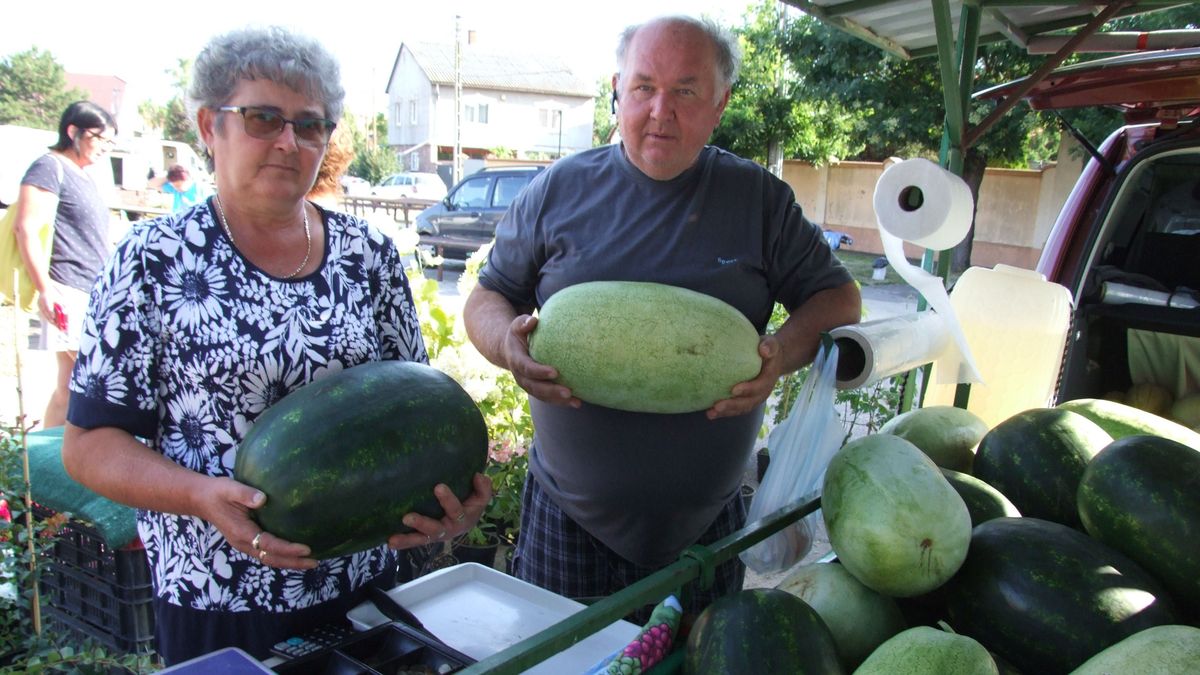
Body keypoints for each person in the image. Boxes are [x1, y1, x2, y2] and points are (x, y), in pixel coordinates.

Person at [60, 26, 492, 665]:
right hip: (219, 596)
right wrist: (203, 497)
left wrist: (449, 503)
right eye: (263, 119)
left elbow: (417, 409)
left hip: (361, 585)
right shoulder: (152, 261)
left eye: (310, 125)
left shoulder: (367, 254)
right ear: (211, 127)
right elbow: (90, 446)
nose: (289, 142)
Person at [462, 15, 861, 620]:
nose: (660, 111)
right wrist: (506, 346)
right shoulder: (557, 190)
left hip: (707, 523)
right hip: (566, 515)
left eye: (686, 90)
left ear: (720, 103)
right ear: (617, 89)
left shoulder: (759, 200)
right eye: (644, 86)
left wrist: (781, 351)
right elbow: (488, 298)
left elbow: (837, 297)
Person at [11, 101, 117, 429]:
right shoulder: (48, 166)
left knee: (71, 385)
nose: (104, 148)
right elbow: (24, 227)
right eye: (100, 139)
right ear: (73, 132)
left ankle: (52, 455)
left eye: (109, 142)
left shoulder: (82, 174)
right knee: (78, 384)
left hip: (88, 288)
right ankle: (56, 458)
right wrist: (45, 290)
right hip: (64, 289)